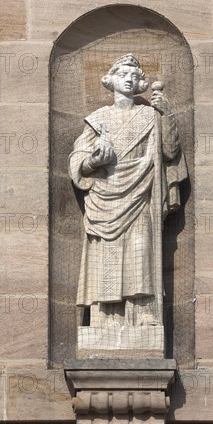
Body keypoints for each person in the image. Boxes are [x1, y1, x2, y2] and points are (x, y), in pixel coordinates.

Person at [69, 54, 185, 329]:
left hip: (141, 194)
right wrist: (94, 161)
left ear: (141, 83)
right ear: (111, 81)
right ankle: (107, 316)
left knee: (141, 251)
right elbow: (78, 160)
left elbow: (169, 152)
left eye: (134, 76)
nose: (129, 80)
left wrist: (167, 114)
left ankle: (145, 312)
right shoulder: (97, 120)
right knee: (108, 255)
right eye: (123, 75)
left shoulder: (150, 116)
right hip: (105, 198)